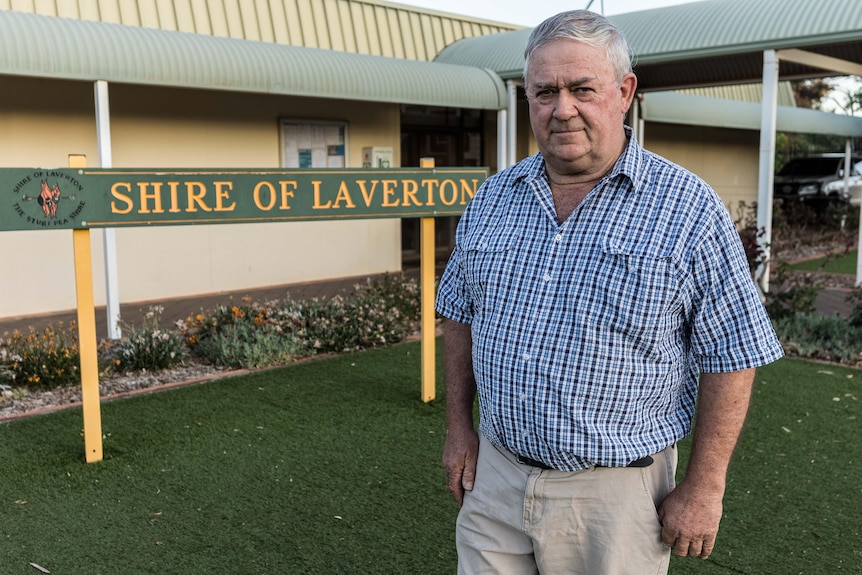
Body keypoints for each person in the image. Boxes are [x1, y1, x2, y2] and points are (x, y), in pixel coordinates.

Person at [434, 9, 784, 575]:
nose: (561, 108)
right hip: (495, 481)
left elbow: (734, 353)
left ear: (624, 92)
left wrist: (705, 486)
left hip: (617, 501)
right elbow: (459, 313)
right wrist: (458, 429)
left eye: (582, 89)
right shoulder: (493, 198)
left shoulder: (687, 208)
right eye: (544, 91)